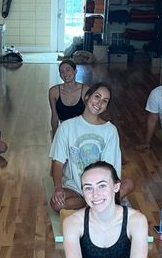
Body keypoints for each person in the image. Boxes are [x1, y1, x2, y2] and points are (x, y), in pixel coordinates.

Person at [50, 82, 135, 211]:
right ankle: (100, 204)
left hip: (100, 187)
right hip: (75, 188)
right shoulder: (66, 127)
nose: (99, 103)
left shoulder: (110, 130)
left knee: (129, 184)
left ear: (106, 106)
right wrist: (58, 188)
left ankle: (94, 203)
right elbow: (58, 162)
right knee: (57, 204)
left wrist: (101, 189)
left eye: (105, 101)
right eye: (97, 97)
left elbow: (110, 168)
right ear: (87, 97)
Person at [48, 58, 88, 136]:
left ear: (75, 71)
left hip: (82, 132)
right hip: (64, 131)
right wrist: (55, 138)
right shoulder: (53, 91)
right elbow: (54, 117)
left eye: (68, 70)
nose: (65, 74)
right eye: (62, 72)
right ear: (60, 75)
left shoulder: (85, 90)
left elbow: (90, 116)